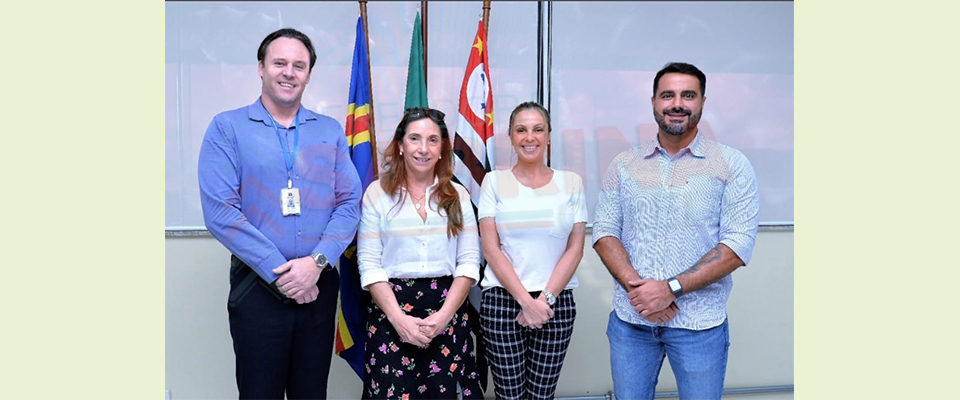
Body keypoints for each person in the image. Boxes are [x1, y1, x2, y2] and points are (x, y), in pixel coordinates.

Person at [198, 28, 362, 399]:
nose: (289, 72)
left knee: (311, 393)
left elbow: (350, 203)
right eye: (280, 63)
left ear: (308, 74)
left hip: (319, 284)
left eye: (299, 65)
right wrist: (283, 272)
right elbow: (221, 211)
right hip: (257, 286)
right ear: (261, 68)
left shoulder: (329, 131)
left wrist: (315, 264)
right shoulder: (228, 128)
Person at [593, 62, 760, 400]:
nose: (677, 104)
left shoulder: (732, 164)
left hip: (699, 325)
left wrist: (670, 289)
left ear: (702, 101)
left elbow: (736, 245)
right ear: (654, 101)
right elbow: (604, 232)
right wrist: (642, 293)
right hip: (632, 323)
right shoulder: (623, 164)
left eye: (688, 95)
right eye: (667, 95)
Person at [357, 108, 483, 399]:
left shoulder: (458, 196)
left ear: (442, 149)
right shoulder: (378, 193)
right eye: (414, 139)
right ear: (400, 146)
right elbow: (370, 265)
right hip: (391, 317)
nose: (423, 148)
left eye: (432, 140)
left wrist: (442, 319)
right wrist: (400, 321)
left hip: (447, 314)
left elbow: (468, 264)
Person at [477, 102, 587, 400]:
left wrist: (544, 300)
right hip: (503, 301)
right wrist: (526, 302)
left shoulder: (571, 182)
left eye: (538, 129)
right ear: (511, 137)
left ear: (549, 136)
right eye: (521, 130)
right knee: (509, 396)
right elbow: (491, 248)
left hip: (556, 301)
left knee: (542, 396)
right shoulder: (494, 182)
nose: (530, 137)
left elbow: (575, 249)